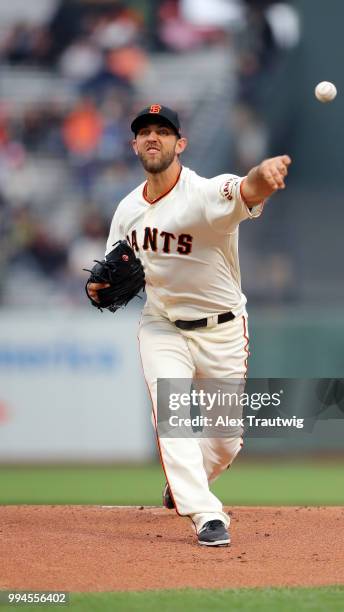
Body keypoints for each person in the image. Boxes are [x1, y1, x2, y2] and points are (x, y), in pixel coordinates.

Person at [87, 104, 291, 546]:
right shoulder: (126, 210)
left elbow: (246, 190)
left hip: (221, 329)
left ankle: (184, 483)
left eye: (162, 131)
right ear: (134, 145)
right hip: (163, 326)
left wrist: (263, 175)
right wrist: (98, 289)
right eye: (144, 132)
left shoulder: (204, 194)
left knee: (224, 443)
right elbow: (111, 270)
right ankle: (205, 514)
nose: (152, 137)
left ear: (180, 144)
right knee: (173, 418)